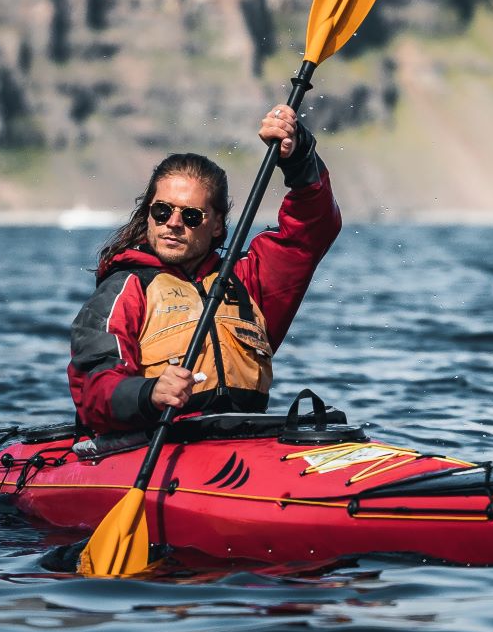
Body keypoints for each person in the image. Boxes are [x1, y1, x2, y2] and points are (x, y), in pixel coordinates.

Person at [68, 104, 340, 434]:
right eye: (162, 211)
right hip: (158, 442)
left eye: (191, 216)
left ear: (216, 226)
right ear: (148, 212)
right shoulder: (123, 289)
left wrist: (298, 156)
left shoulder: (247, 281)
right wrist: (149, 393)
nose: (173, 224)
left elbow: (313, 229)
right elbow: (94, 386)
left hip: (248, 439)